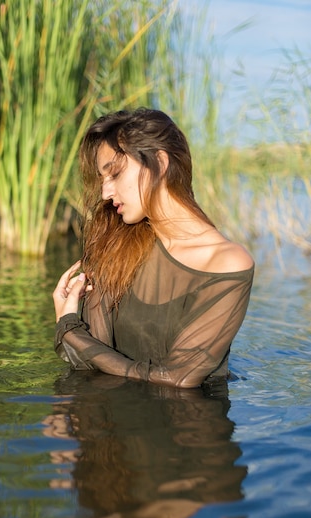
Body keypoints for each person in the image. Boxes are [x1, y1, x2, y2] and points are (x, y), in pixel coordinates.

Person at [53, 108, 254, 388]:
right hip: (104, 423)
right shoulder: (116, 242)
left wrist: (69, 329)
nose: (105, 193)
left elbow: (179, 379)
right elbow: (91, 361)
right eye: (102, 179)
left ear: (159, 162)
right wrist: (73, 321)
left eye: (114, 174)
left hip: (189, 422)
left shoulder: (226, 263)